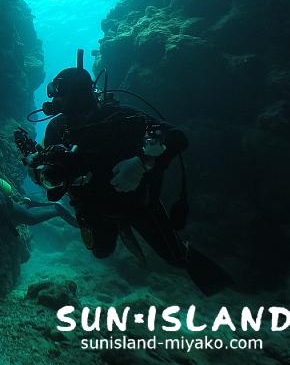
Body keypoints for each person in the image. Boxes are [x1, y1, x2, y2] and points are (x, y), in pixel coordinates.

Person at [23, 55, 233, 296]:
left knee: (175, 257)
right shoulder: (57, 129)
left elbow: (177, 137)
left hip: (137, 204)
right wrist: (40, 173)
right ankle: (122, 231)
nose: (53, 99)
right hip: (93, 207)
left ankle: (224, 287)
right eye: (53, 92)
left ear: (79, 93)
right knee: (102, 252)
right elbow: (55, 185)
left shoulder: (122, 118)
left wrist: (142, 163)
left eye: (59, 92)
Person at [0, 165, 78, 235]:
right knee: (17, 220)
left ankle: (57, 210)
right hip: (2, 209)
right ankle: (27, 202)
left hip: (7, 207)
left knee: (31, 220)